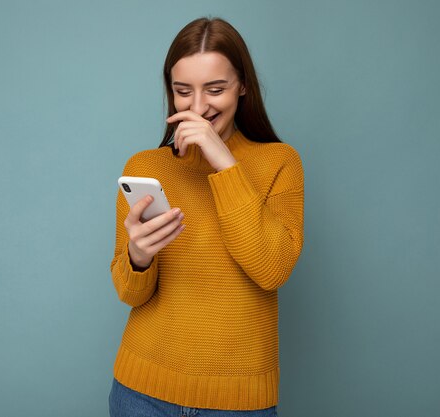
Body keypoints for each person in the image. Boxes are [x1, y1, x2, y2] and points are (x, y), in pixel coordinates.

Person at [109, 16, 304, 417]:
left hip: (237, 403)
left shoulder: (280, 163)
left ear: (243, 85)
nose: (198, 106)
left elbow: (272, 269)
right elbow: (130, 294)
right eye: (183, 91)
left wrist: (224, 164)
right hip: (140, 393)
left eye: (215, 89)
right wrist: (138, 258)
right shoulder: (147, 168)